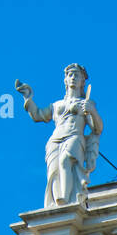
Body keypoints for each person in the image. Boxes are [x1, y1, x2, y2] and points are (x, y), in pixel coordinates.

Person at [15, 64, 103, 207]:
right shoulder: (56, 105)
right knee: (54, 171)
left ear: (82, 82)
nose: (73, 78)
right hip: (55, 140)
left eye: (77, 75)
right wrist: (28, 98)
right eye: (70, 75)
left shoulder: (86, 103)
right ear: (66, 80)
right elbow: (38, 115)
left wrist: (92, 111)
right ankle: (57, 203)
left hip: (74, 136)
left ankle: (66, 198)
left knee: (66, 160)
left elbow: (97, 129)